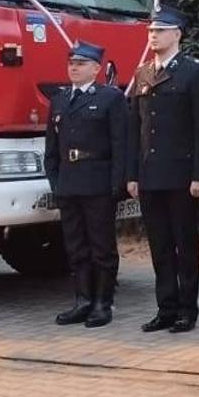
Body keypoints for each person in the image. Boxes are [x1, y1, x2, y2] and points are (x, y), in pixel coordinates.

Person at [128, 4, 199, 333]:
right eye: (151, 31)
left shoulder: (193, 72)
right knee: (160, 245)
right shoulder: (142, 73)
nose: (153, 36)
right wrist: (133, 174)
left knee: (185, 244)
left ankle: (186, 310)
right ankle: (165, 307)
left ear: (177, 34)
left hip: (181, 176)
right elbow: (136, 128)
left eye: (160, 31)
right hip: (151, 175)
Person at [44, 42, 128, 329]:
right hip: (69, 183)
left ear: (96, 68)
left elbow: (120, 144)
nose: (74, 68)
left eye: (81, 64)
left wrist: (116, 185)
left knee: (101, 247)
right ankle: (82, 300)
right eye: (71, 63)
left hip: (98, 182)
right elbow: (51, 149)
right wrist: (56, 182)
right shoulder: (59, 100)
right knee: (76, 246)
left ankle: (103, 303)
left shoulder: (110, 98)